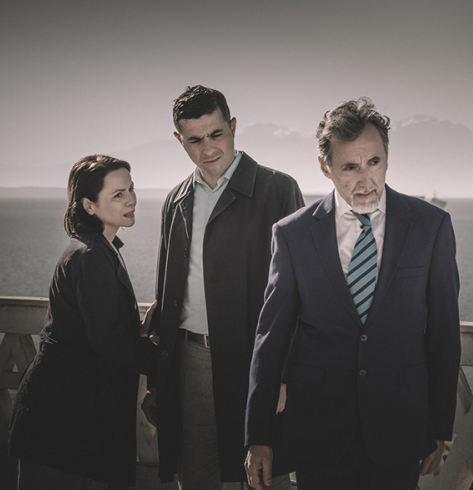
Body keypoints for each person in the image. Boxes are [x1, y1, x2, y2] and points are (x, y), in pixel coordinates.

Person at [244, 98, 461, 490]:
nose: (366, 179)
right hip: (317, 431)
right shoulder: (293, 235)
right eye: (350, 167)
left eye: (374, 162)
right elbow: (271, 337)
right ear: (324, 167)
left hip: (399, 425)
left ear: (386, 158)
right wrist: (259, 435)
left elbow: (444, 334)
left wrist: (441, 427)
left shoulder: (431, 226)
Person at [144, 85, 304, 489]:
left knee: (264, 478)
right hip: (190, 360)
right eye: (194, 140)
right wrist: (157, 380)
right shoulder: (175, 200)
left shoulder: (279, 189)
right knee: (196, 477)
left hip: (257, 362)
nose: (208, 148)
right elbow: (165, 292)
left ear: (233, 127)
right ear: (179, 140)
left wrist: (284, 374)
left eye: (216, 134)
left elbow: (301, 293)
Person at [9, 154, 159, 490]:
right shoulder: (90, 256)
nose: (131, 199)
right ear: (89, 205)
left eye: (131, 189)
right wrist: (170, 359)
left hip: (73, 413)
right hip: (62, 417)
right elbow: (109, 344)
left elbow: (95, 330)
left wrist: (141, 329)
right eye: (118, 194)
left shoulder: (100, 249)